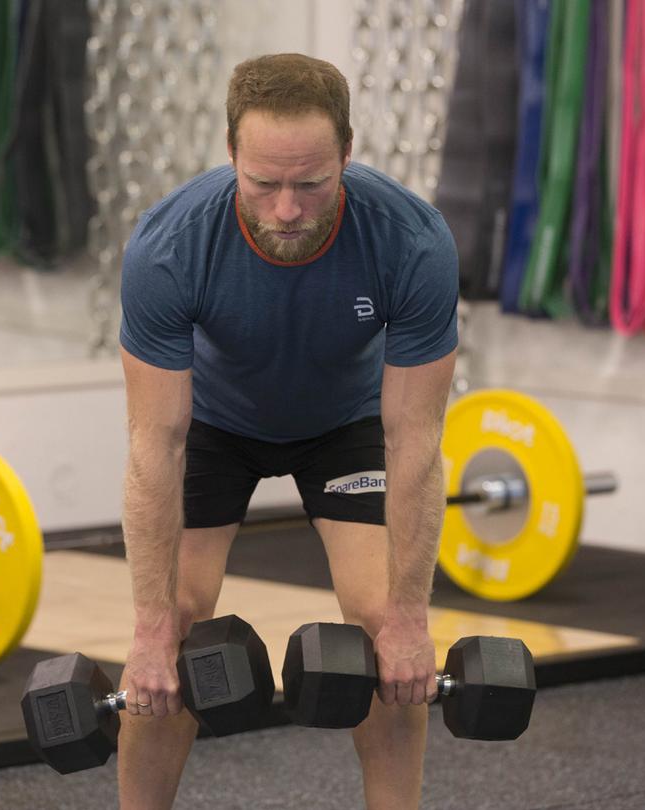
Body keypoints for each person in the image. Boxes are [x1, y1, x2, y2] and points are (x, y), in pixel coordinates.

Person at [117, 53, 459, 810]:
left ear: (346, 154)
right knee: (170, 633)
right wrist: (146, 631)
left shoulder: (412, 242)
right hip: (214, 423)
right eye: (263, 183)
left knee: (385, 631)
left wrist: (409, 619)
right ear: (231, 154)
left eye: (311, 184)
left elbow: (415, 444)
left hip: (342, 424)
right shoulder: (168, 247)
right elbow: (155, 449)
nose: (285, 210)